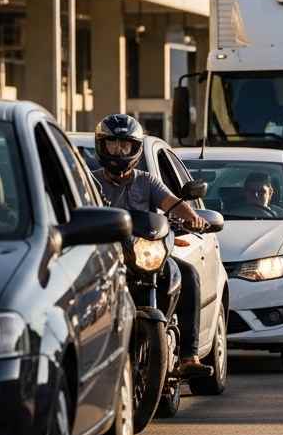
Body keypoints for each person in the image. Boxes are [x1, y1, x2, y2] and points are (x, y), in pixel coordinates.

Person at [90, 114, 210, 378]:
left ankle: (189, 356)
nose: (119, 150)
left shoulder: (147, 181)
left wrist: (195, 219)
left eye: (126, 145)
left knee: (188, 274)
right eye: (113, 144)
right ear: (102, 146)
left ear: (136, 149)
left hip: (145, 254)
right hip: (106, 257)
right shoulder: (90, 182)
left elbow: (173, 204)